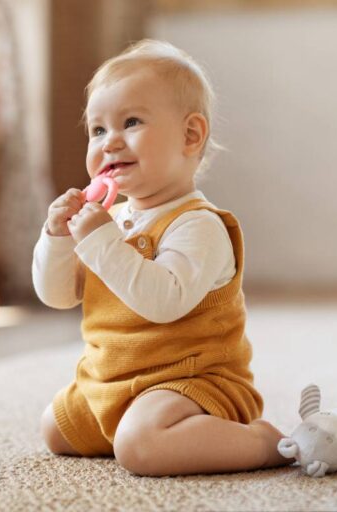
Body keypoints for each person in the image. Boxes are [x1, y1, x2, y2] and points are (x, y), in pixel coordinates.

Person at [32, 39, 291, 476]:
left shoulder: (198, 225)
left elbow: (163, 302)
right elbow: (57, 296)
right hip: (111, 380)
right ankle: (139, 425)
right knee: (55, 429)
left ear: (190, 135)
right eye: (97, 130)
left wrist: (101, 241)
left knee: (141, 447)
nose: (109, 142)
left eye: (130, 122)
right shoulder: (109, 221)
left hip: (193, 382)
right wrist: (56, 238)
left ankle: (260, 442)